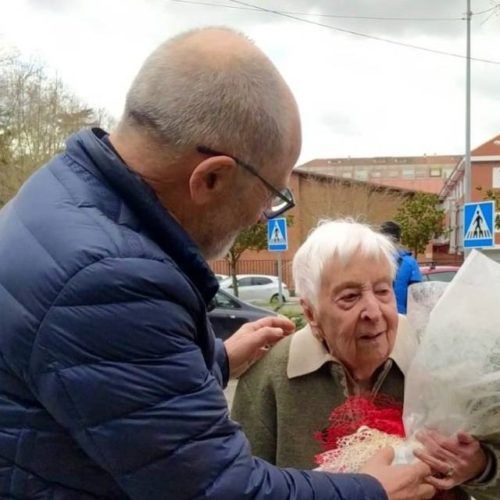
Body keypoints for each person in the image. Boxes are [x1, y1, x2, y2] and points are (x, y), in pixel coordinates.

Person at [0, 28, 435, 500]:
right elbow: (221, 488)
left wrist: (217, 360)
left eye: (381, 289)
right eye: (270, 197)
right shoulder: (111, 276)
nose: (259, 215)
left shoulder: (63, 196)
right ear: (211, 178)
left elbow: (108, 386)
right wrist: (372, 491)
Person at [232, 219, 499, 500]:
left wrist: (482, 467)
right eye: (350, 296)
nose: (373, 311)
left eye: (383, 290)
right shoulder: (270, 377)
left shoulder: (441, 354)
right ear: (311, 314)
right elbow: (241, 490)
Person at [380, 220, 422, 314]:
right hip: (401, 318)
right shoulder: (410, 263)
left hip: (377, 317)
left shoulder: (371, 261)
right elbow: (417, 297)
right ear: (400, 238)